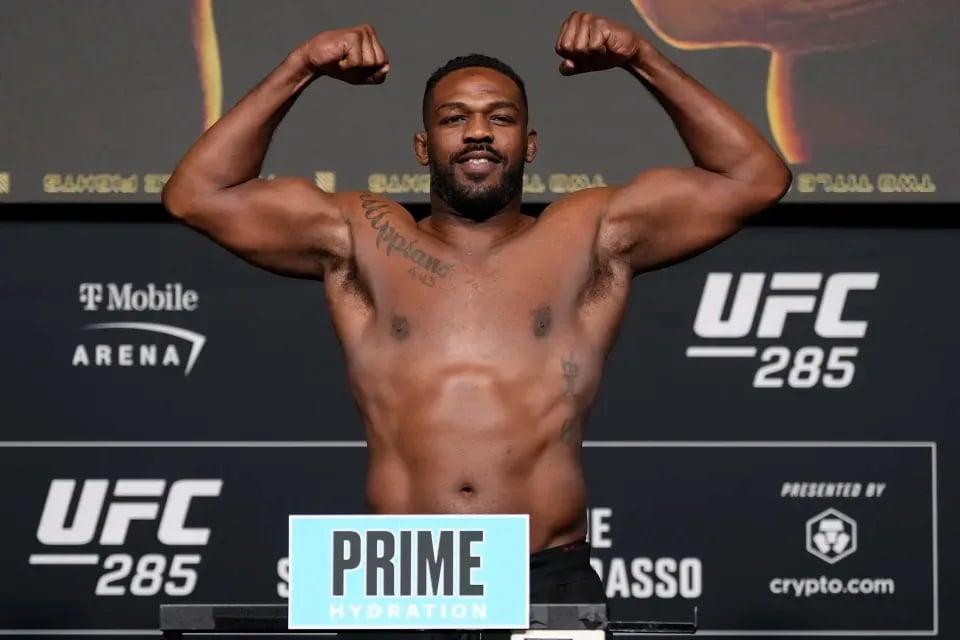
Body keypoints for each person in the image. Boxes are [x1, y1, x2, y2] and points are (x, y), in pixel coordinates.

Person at [162, 11, 791, 608]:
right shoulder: (361, 234)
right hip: (401, 566)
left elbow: (754, 178)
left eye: (501, 117)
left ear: (530, 143)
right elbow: (196, 195)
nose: (479, 131)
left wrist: (642, 56)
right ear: (422, 144)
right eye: (454, 117)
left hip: (544, 568)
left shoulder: (588, 234)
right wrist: (299, 66)